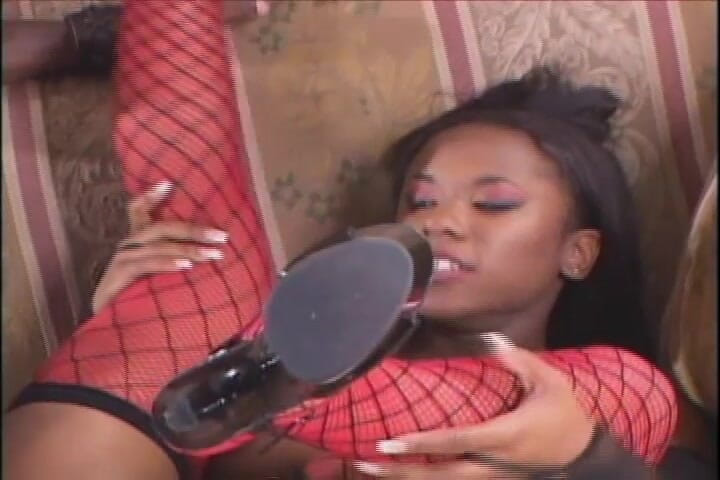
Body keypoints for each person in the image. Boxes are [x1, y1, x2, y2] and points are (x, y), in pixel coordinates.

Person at [5, 1, 680, 479]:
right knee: (194, 258)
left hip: (561, 412)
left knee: (630, 394)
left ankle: (260, 371)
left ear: (578, 252)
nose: (438, 222)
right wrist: (132, 325)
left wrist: (592, 461)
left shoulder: (617, 392)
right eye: (420, 201)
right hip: (187, 407)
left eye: (494, 203)